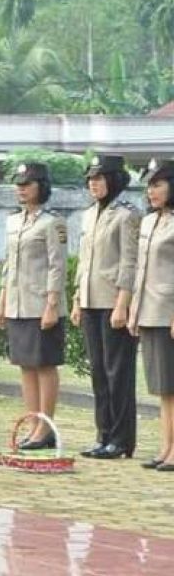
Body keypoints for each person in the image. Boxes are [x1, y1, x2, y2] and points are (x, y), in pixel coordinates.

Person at [0, 162, 69, 451]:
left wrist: (52, 304)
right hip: (17, 303)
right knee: (25, 365)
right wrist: (2, 303)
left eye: (27, 184)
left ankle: (45, 427)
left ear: (42, 186)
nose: (21, 189)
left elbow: (57, 266)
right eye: (18, 185)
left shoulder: (53, 223)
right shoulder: (13, 221)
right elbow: (8, 265)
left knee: (45, 364)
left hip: (41, 304)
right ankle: (32, 422)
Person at [72, 154, 140, 460]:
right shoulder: (88, 215)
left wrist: (122, 304)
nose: (93, 184)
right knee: (98, 372)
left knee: (118, 373)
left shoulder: (127, 215)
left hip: (114, 303)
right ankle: (103, 434)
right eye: (90, 179)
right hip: (89, 300)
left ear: (114, 180)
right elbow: (84, 262)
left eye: (99, 178)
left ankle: (122, 439)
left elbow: (130, 262)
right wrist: (76, 300)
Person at [129, 159, 174, 471]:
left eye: (158, 184)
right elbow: (140, 270)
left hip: (169, 311)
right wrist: (133, 309)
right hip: (149, 310)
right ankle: (165, 447)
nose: (152, 191)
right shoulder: (148, 222)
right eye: (149, 185)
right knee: (162, 386)